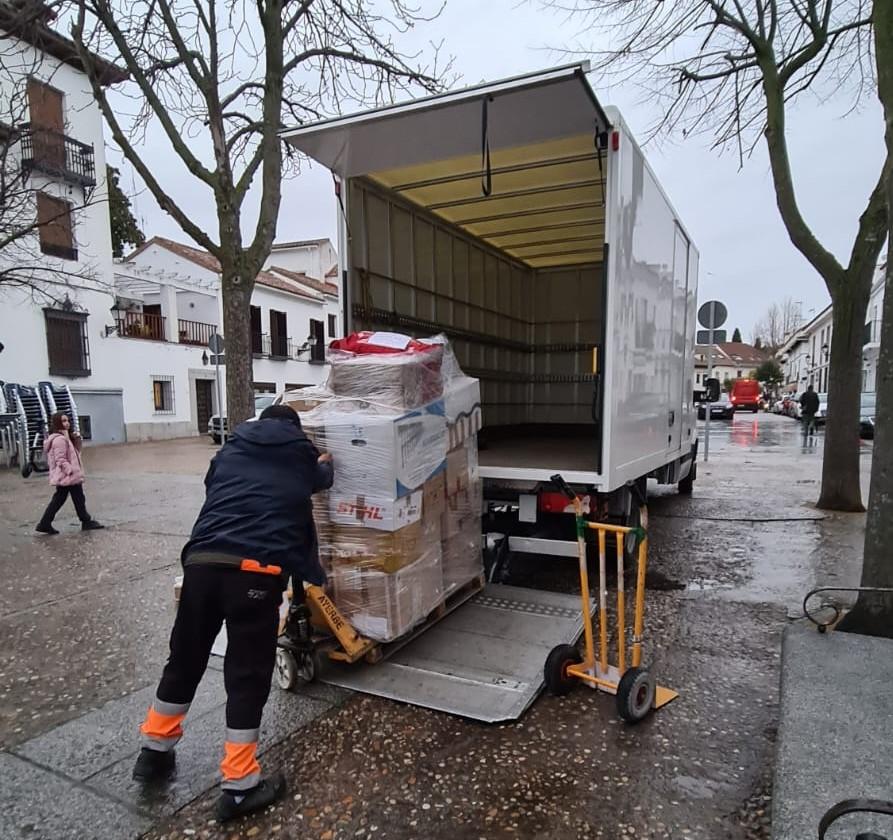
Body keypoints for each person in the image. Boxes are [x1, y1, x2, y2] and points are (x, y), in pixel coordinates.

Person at [132, 403, 333, 823]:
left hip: (201, 564)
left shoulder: (229, 450)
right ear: (293, 430)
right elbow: (321, 481)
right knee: (246, 675)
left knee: (184, 659)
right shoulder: (301, 453)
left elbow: (214, 485)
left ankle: (154, 750)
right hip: (253, 573)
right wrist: (324, 463)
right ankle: (240, 785)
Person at [35, 413, 104, 534]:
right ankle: (84, 521)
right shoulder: (59, 440)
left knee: (71, 498)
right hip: (68, 475)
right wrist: (70, 471)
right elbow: (60, 459)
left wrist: (75, 439)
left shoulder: (65, 437)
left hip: (69, 475)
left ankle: (46, 523)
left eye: (67, 420)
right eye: (63, 421)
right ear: (57, 423)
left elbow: (76, 452)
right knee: (69, 498)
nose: (66, 423)